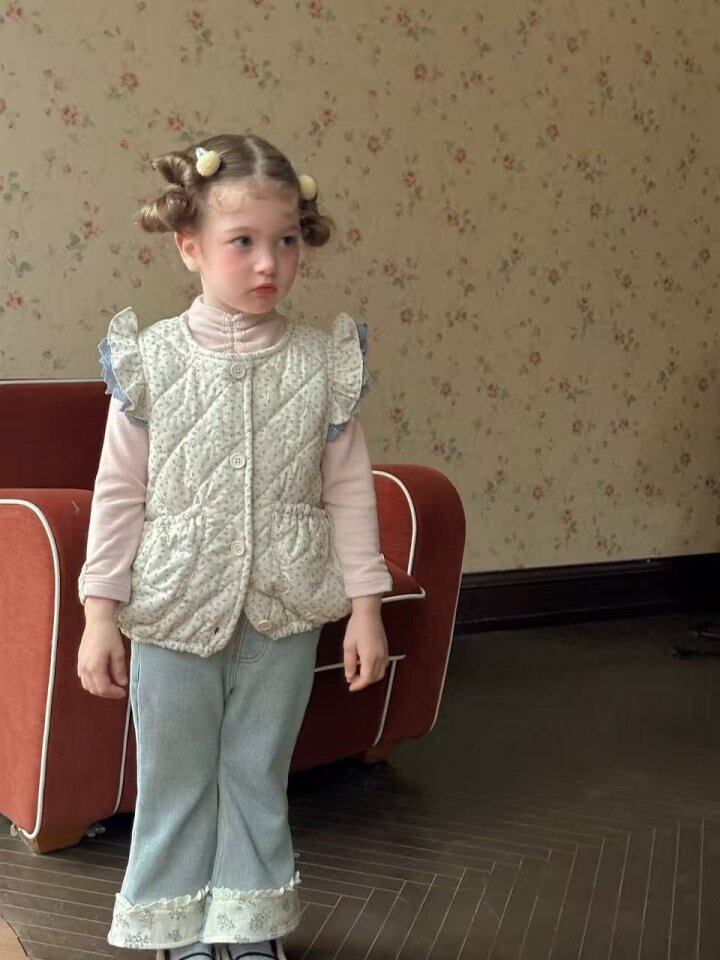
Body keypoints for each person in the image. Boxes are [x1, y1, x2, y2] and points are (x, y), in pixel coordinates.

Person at [76, 133, 394, 960]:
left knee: (257, 770)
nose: (268, 263)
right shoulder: (150, 362)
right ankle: (175, 926)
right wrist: (100, 613)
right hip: (172, 604)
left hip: (285, 606)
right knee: (175, 776)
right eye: (242, 241)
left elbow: (350, 492)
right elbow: (118, 494)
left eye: (286, 241)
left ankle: (248, 925)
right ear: (189, 245)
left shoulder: (324, 363)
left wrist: (367, 608)